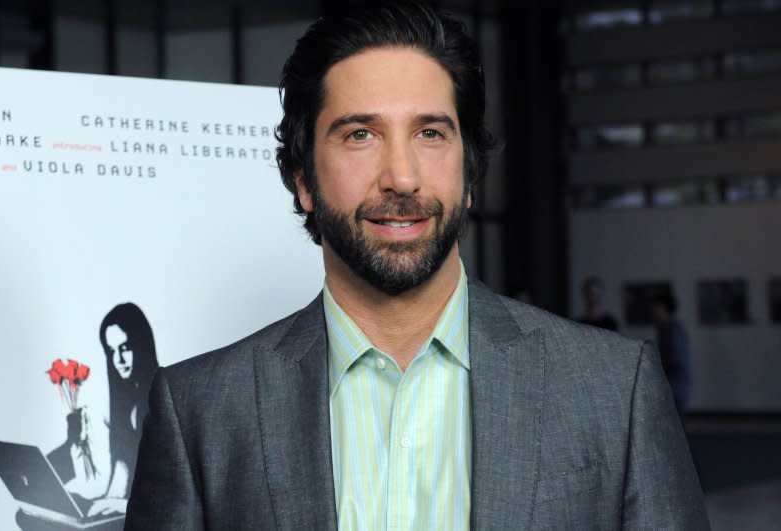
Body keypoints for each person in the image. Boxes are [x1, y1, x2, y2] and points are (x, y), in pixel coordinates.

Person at [125, 3, 709, 529]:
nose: (401, 177)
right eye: (360, 134)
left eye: (430, 133)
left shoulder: (615, 389)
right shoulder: (198, 411)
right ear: (303, 179)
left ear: (469, 172)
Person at [87, 303, 158, 518]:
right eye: (111, 351)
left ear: (141, 345)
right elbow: (122, 468)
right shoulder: (124, 408)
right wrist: (102, 508)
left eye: (125, 348)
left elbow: (172, 490)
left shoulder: (163, 400)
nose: (118, 360)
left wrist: (123, 507)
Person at [651, 292, 692, 417]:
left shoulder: (672, 329)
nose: (652, 310)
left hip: (674, 385)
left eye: (655, 307)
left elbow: (675, 360)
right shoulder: (665, 328)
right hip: (672, 384)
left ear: (663, 308)